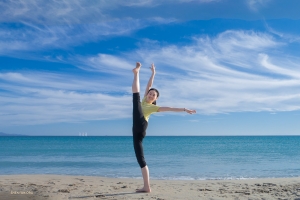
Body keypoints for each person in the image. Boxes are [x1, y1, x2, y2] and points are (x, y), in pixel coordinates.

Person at [132, 62, 196, 193]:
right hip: (137, 131)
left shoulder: (153, 107)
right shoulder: (145, 100)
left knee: (135, 99)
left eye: (153, 95)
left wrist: (185, 109)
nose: (150, 95)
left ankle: (136, 73)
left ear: (156, 99)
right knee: (140, 159)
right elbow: (149, 85)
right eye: (150, 93)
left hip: (142, 124)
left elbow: (170, 108)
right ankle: (147, 186)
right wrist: (153, 73)